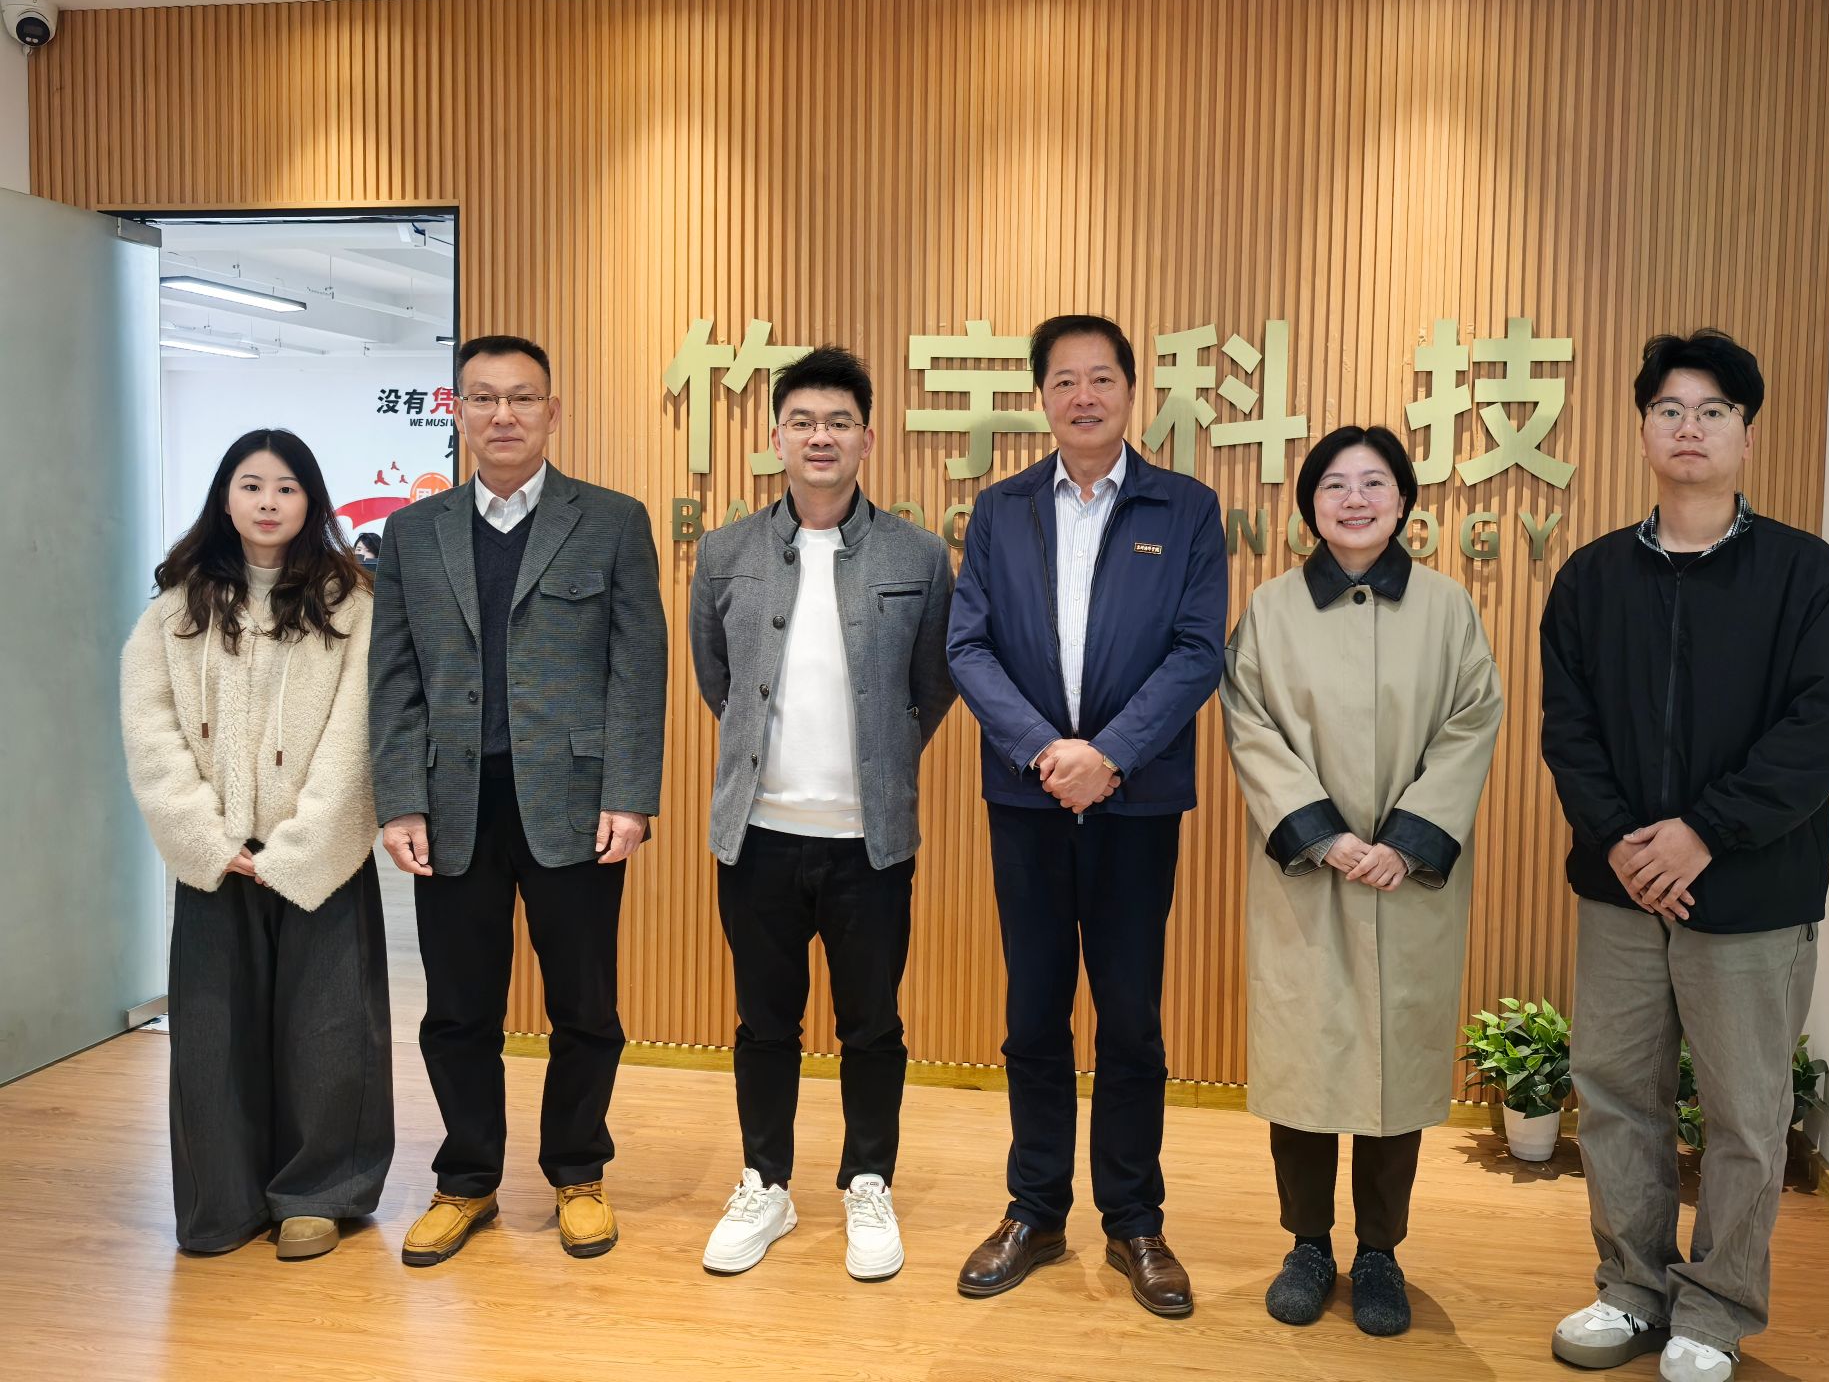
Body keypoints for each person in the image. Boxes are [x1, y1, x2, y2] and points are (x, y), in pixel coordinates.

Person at [1541, 331, 1829, 1382]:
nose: (1689, 428)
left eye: (1712, 411)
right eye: (1669, 409)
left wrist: (1702, 834)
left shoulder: (1805, 575)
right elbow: (1568, 731)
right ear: (1642, 430)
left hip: (1753, 892)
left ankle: (1714, 1313)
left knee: (1744, 1117)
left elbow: (1821, 730)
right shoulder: (1591, 578)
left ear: (1745, 435)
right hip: (1620, 890)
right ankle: (1630, 1290)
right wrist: (1626, 845)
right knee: (1616, 1097)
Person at [946, 313, 1226, 1318]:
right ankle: (1034, 1209)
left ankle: (1134, 1219)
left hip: (1134, 802)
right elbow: (968, 646)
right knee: (1033, 1013)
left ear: (1131, 392)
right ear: (1041, 397)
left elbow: (1198, 649)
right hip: (1027, 800)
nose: (1083, 396)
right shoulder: (1001, 509)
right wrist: (1043, 749)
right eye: (1063, 380)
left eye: (1100, 377)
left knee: (1130, 1016)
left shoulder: (1184, 508)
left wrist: (1108, 756)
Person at [369, 335, 667, 1266]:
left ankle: (578, 1172)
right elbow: (393, 676)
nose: (503, 415)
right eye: (484, 398)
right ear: (456, 412)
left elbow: (638, 668)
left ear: (553, 412)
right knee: (457, 1009)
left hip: (573, 802)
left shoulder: (611, 520)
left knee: (584, 1005)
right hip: (451, 803)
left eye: (523, 398)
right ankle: (467, 1180)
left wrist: (629, 795)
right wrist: (399, 800)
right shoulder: (414, 533)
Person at [1221, 424, 1503, 1337]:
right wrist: (1325, 836)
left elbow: (1472, 722)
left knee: (1393, 1062)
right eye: (1335, 484)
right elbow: (1249, 723)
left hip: (1405, 880)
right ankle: (1307, 1245)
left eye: (1374, 482)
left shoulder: (1448, 608)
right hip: (1309, 877)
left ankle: (1380, 1250)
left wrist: (1407, 842)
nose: (1354, 499)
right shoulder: (1270, 609)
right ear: (1310, 504)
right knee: (1305, 1062)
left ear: (1403, 500)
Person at [688, 346, 956, 1282]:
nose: (820, 437)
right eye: (802, 422)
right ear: (776, 439)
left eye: (839, 422)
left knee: (871, 1025)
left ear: (867, 440)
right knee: (764, 1024)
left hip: (867, 843)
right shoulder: (725, 553)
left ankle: (867, 1183)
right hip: (756, 836)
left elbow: (933, 684)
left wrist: (881, 758)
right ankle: (766, 1183)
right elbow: (717, 679)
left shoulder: (918, 556)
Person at [120, 428, 392, 1260]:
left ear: (311, 501)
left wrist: (303, 844)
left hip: (321, 855)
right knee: (213, 1038)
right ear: (225, 498)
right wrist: (204, 839)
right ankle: (222, 1200)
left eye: (285, 487)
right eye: (250, 485)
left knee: (330, 1033)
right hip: (216, 861)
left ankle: (319, 1195)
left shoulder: (352, 603)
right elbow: (151, 733)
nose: (267, 502)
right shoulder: (175, 610)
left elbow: (357, 734)